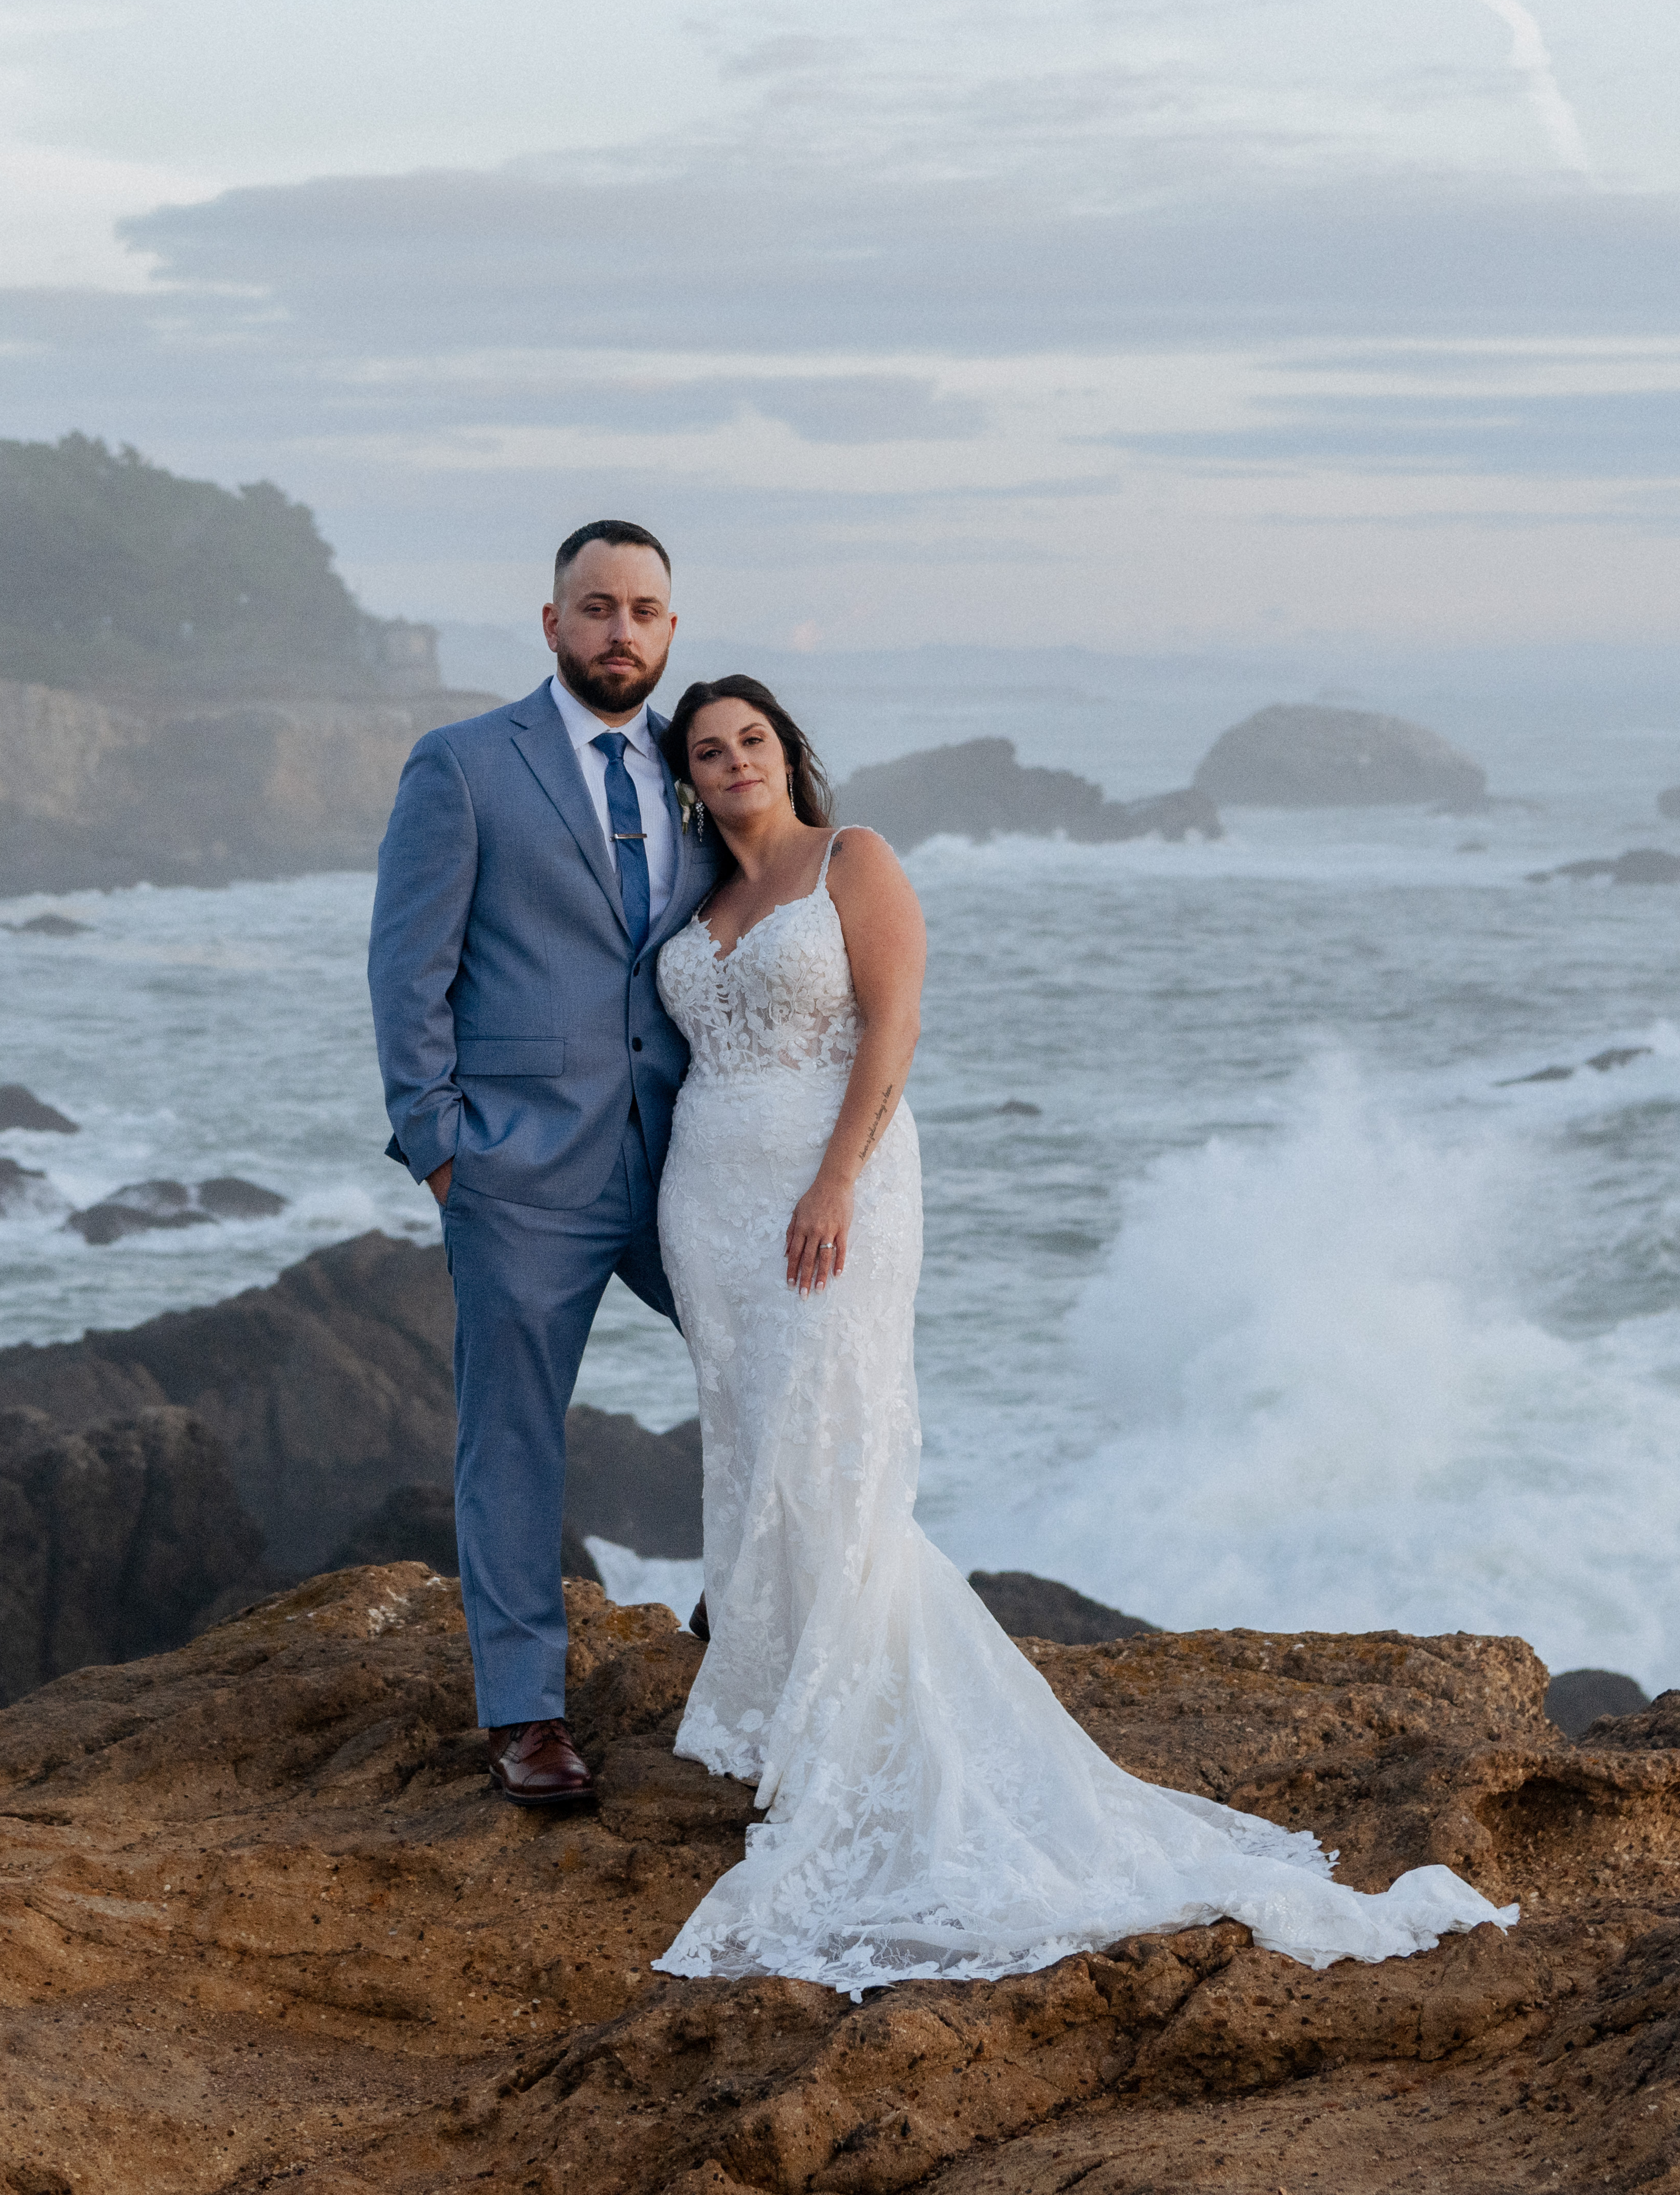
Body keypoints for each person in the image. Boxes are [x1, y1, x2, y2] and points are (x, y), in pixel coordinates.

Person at [644, 672, 1517, 1991]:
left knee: (837, 1445)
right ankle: (781, 1709)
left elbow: (896, 1028)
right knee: (756, 1444)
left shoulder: (852, 859)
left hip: (834, 1193)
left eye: (752, 739)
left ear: (786, 750)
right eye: (708, 752)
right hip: (708, 1206)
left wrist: (833, 1180)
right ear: (693, 780)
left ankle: (859, 1737)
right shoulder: (697, 908)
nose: (734, 762)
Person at [366, 521, 718, 1808]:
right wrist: (440, 1148)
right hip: (519, 1167)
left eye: (644, 610)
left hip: (687, 1152)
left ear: (672, 629)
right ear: (553, 622)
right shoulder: (465, 766)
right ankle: (526, 1715)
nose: (621, 629)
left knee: (779, 1362)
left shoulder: (705, 760)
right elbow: (407, 967)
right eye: (596, 607)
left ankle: (742, 1609)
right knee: (513, 1438)